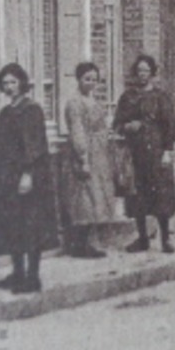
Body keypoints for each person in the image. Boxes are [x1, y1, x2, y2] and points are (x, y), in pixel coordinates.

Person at [0, 63, 60, 294]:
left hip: (29, 177)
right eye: (5, 83)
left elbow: (35, 146)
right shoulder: (6, 112)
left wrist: (27, 175)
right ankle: (17, 273)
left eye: (13, 82)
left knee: (31, 226)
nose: (9, 87)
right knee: (12, 225)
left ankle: (32, 277)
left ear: (22, 83)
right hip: (7, 176)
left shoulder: (32, 110)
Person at [112, 54, 175, 253]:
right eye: (139, 71)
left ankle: (165, 239)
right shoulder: (128, 97)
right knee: (138, 196)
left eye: (146, 71)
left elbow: (170, 125)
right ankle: (142, 239)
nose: (143, 75)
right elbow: (116, 124)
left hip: (156, 153)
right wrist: (127, 127)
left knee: (161, 194)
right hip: (135, 154)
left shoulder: (161, 97)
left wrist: (167, 150)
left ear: (152, 73)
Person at [61, 62, 118, 258]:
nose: (91, 83)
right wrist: (83, 158)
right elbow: (77, 132)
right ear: (78, 79)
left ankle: (89, 242)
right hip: (85, 155)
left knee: (96, 198)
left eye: (94, 79)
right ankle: (79, 245)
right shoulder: (75, 103)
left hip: (99, 154)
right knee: (84, 199)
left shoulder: (92, 100)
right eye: (87, 79)